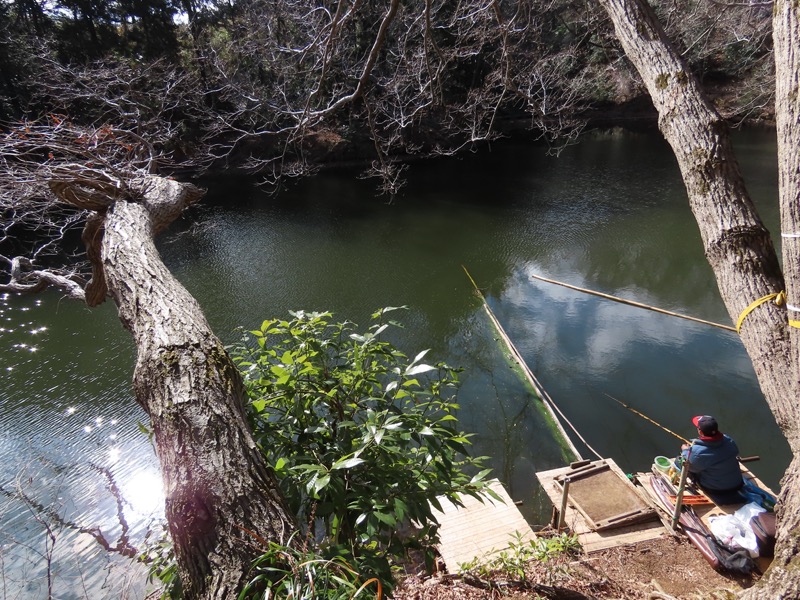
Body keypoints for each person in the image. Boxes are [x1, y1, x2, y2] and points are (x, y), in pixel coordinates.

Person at [680, 415, 744, 505]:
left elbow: (690, 467)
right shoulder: (728, 440)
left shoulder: (697, 452)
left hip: (717, 490)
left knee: (680, 462)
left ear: (700, 432)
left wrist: (685, 450)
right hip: (738, 484)